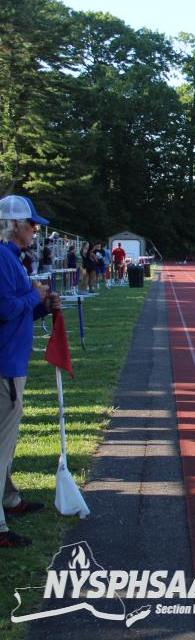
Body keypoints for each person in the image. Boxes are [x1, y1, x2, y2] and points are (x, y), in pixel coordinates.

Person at [0, 195, 61, 548]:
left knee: (7, 442)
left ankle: (9, 499)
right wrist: (34, 297)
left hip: (12, 361)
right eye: (32, 224)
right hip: (5, 364)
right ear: (14, 225)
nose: (36, 230)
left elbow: (17, 312)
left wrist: (42, 306)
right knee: (2, 445)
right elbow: (6, 309)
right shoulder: (2, 258)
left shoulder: (10, 258)